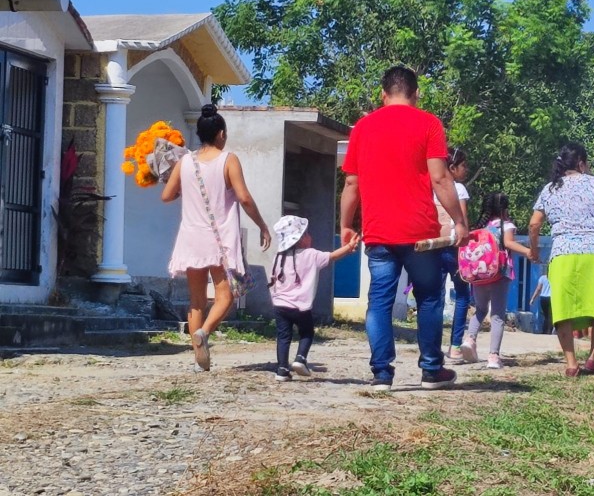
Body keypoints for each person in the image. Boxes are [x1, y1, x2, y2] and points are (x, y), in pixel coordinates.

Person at [340, 65, 469, 391]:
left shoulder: (363, 128)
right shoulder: (428, 124)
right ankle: (430, 370)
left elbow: (351, 184)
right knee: (428, 298)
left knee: (379, 302)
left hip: (379, 230)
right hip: (420, 234)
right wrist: (459, 220)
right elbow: (440, 178)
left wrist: (344, 224)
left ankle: (382, 374)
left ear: (383, 94)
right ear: (416, 94)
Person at [163, 104, 271, 372]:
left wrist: (185, 191)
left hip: (191, 238)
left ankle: (199, 362)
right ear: (221, 134)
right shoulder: (228, 159)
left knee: (196, 301)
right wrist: (262, 226)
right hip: (219, 239)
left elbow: (166, 195)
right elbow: (244, 197)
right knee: (225, 296)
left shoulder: (185, 161)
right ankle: (205, 333)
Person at [528, 142, 594, 377]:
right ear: (582, 163)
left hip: (563, 253)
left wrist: (534, 250)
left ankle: (571, 364)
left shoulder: (550, 189)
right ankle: (593, 358)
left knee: (563, 308)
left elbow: (534, 224)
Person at [268, 215, 360, 382]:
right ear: (301, 238)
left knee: (283, 337)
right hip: (300, 306)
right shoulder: (311, 255)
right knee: (307, 333)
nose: (310, 236)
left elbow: (273, 279)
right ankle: (300, 359)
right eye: (307, 233)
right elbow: (333, 256)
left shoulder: (278, 257)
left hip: (280, 305)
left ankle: (281, 370)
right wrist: (349, 247)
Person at [460, 192, 530, 369]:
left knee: (480, 309)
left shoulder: (480, 228)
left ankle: (470, 339)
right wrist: (528, 252)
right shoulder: (506, 225)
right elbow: (509, 243)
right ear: (505, 208)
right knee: (497, 315)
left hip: (478, 275)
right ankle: (493, 356)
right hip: (499, 274)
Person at [434, 147, 472, 363]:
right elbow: (463, 221)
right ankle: (455, 346)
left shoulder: (431, 187)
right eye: (463, 166)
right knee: (463, 295)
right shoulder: (458, 188)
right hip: (453, 247)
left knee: (434, 297)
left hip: (432, 247)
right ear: (452, 168)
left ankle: (432, 346)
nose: (465, 170)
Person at [529, 265, 553, 335]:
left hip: (543, 298)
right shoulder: (554, 278)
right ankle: (548, 331)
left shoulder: (542, 278)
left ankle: (545, 330)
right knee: (550, 315)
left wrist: (533, 298)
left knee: (546, 315)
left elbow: (538, 289)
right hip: (550, 298)